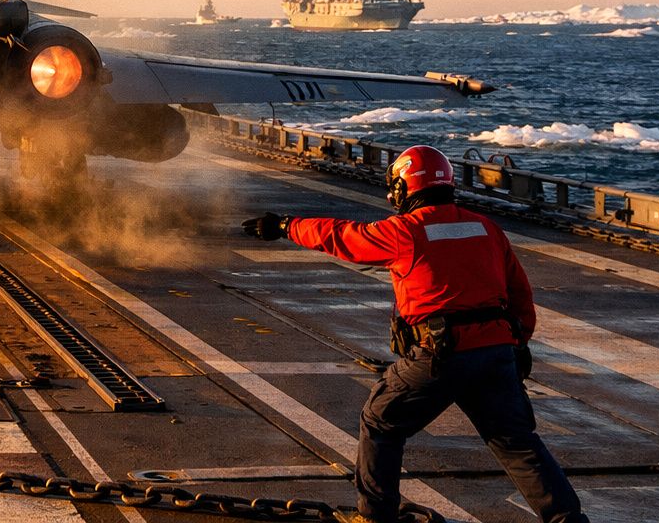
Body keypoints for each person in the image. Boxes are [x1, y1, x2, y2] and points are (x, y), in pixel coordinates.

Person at [242, 145, 588, 523]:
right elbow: (520, 296)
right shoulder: (487, 228)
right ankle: (567, 520)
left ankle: (375, 515)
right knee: (517, 443)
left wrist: (286, 225)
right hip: (495, 353)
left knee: (380, 421)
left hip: (440, 354)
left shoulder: (405, 231)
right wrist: (516, 344)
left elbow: (344, 236)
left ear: (405, 186)